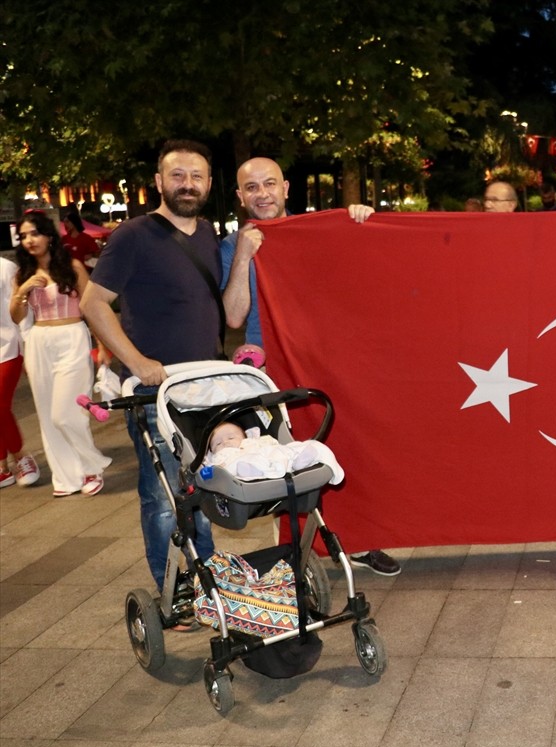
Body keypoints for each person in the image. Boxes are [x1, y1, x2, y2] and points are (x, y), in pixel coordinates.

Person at [221, 156, 401, 577]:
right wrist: (244, 257)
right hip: (273, 366)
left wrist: (360, 221)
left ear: (286, 188)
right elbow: (233, 316)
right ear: (240, 196)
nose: (262, 194)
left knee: (348, 448)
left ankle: (359, 539)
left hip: (330, 361)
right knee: (283, 460)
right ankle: (295, 554)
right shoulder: (232, 245)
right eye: (252, 187)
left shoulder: (315, 230)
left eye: (270, 184)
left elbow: (364, 273)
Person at [81, 139, 221, 598]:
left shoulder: (207, 235)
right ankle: (172, 590)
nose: (187, 184)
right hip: (154, 393)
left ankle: (208, 582)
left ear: (209, 183)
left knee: (201, 490)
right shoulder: (133, 235)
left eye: (196, 176)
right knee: (161, 497)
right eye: (177, 175)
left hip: (204, 388)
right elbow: (93, 303)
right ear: (159, 182)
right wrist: (137, 362)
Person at [9, 211, 111, 497]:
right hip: (39, 342)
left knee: (66, 413)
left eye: (35, 233)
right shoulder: (23, 274)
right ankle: (67, 478)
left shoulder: (72, 266)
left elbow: (93, 308)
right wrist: (22, 291)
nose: (29, 240)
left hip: (72, 338)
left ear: (49, 236)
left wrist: (103, 346)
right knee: (46, 414)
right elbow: (16, 317)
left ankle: (91, 467)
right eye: (24, 236)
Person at [1, 256, 42, 488]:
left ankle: (20, 456)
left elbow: (23, 312)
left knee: (0, 406)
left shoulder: (5, 268)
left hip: (7, 347)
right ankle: (3, 468)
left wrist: (28, 348)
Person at [205, 421, 344, 483]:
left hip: (264, 454)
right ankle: (252, 472)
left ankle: (298, 459)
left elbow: (273, 445)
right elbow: (213, 471)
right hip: (242, 462)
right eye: (218, 443)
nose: (225, 443)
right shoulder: (218, 456)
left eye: (231, 437)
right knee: (231, 467)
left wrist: (274, 447)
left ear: (245, 436)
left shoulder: (253, 442)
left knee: (285, 449)